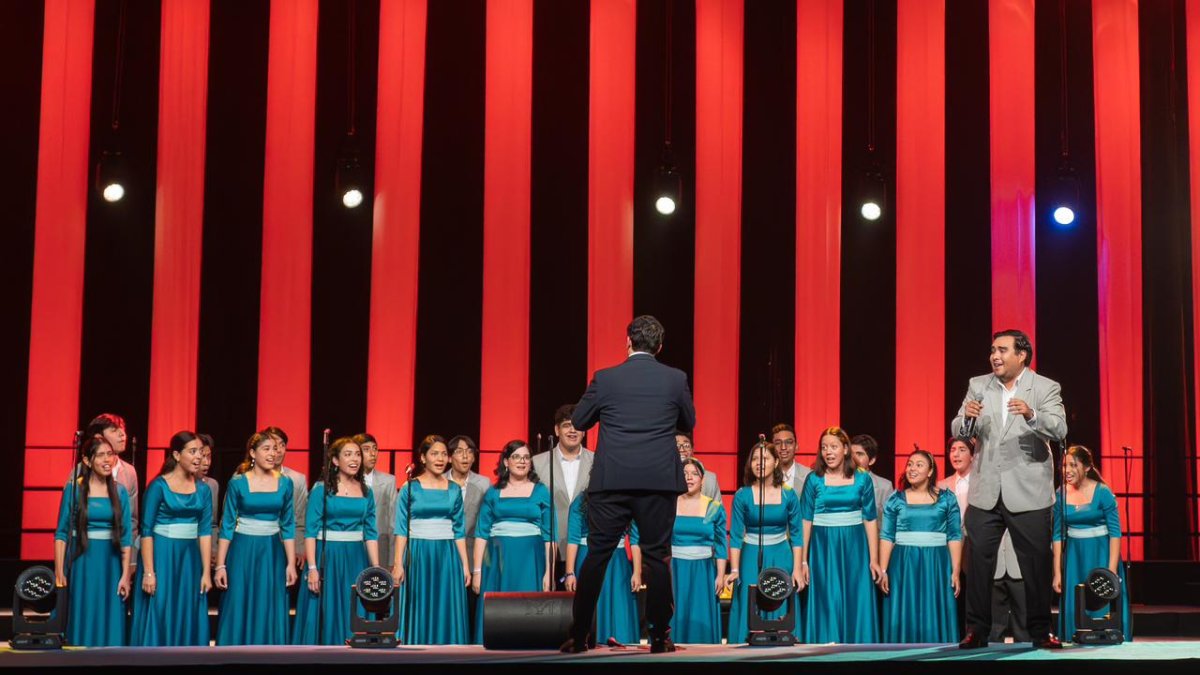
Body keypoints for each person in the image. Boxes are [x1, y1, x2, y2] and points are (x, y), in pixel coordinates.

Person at [562, 315, 696, 653]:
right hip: (657, 481)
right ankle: (659, 638)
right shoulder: (674, 379)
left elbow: (579, 420)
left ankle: (579, 637)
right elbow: (689, 421)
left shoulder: (606, 379)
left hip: (612, 481)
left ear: (628, 342)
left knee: (597, 557)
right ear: (659, 346)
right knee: (657, 558)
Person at [952, 329, 1067, 649]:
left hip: (1028, 489)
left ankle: (1041, 631)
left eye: (1002, 350)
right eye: (992, 350)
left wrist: (1032, 414)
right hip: (986, 488)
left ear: (1022, 355)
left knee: (1035, 565)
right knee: (978, 564)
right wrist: (967, 422)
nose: (994, 356)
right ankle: (976, 631)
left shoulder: (1044, 387)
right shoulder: (979, 385)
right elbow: (958, 426)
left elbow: (1059, 428)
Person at [130, 431, 213, 646]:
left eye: (201, 453)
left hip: (190, 557)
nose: (199, 458)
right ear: (176, 455)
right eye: (192, 452)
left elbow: (205, 532)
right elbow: (146, 532)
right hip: (162, 554)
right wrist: (149, 572)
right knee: (161, 606)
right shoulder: (158, 486)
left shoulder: (204, 490)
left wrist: (206, 572)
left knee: (188, 606)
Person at [293, 436, 379, 645]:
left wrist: (375, 568)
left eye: (358, 454)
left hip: (356, 558)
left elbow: (371, 533)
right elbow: (311, 532)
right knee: (327, 607)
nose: (355, 459)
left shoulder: (366, 491)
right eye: (348, 454)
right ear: (335, 461)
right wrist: (313, 567)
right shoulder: (321, 490)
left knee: (355, 607)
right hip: (328, 555)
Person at [214, 432, 297, 645]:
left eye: (275, 449)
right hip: (242, 549)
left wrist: (290, 564)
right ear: (252, 452)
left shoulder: (286, 483)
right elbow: (227, 525)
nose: (273, 453)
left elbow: (287, 525)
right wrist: (220, 565)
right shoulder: (238, 483)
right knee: (239, 600)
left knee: (269, 602)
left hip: (271, 550)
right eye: (266, 449)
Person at [799, 426, 880, 644]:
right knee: (827, 597)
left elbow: (870, 519)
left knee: (856, 596)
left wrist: (874, 559)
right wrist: (803, 561)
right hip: (823, 546)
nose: (828, 452)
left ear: (845, 449)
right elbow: (805, 521)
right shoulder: (813, 479)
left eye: (833, 446)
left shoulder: (862, 479)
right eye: (824, 447)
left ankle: (857, 648)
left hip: (855, 545)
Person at [53, 436, 133, 646]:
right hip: (83, 560)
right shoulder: (74, 489)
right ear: (87, 461)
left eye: (110, 454)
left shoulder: (120, 491)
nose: (107, 460)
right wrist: (59, 571)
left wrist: (125, 574)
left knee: (111, 612)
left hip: (111, 562)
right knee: (84, 611)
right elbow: (61, 533)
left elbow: (126, 536)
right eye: (100, 455)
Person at [471, 440, 552, 642]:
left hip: (531, 558)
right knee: (498, 609)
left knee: (529, 608)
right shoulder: (493, 492)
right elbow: (481, 533)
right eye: (516, 457)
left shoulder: (541, 491)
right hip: (498, 559)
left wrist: (549, 571)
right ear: (506, 462)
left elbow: (550, 535)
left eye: (526, 457)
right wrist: (477, 571)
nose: (522, 461)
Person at [393, 434, 470, 645]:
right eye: (434, 453)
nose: (440, 458)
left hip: (447, 555)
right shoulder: (410, 488)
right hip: (418, 553)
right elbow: (401, 529)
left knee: (445, 604)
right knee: (419, 604)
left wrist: (465, 565)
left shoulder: (454, 489)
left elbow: (459, 530)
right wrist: (398, 563)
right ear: (423, 458)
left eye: (444, 454)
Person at [879, 449, 962, 642]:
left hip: (936, 562)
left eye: (919, 465)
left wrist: (955, 570)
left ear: (930, 471)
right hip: (904, 563)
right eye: (910, 464)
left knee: (933, 609)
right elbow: (887, 536)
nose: (912, 469)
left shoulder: (947, 499)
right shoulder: (895, 499)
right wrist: (883, 569)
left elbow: (955, 535)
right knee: (905, 608)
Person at [1052, 445, 1130, 642]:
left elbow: (1115, 533)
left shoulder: (1102, 492)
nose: (1067, 470)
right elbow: (1057, 535)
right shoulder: (1060, 494)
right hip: (1074, 557)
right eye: (1064, 465)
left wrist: (1111, 571)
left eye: (1073, 465)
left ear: (1086, 467)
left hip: (1100, 554)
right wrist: (1057, 572)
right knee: (1075, 603)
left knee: (1101, 603)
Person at [726, 442, 803, 644]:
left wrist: (797, 568)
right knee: (748, 599)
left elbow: (797, 535)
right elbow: (735, 535)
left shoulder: (788, 494)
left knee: (780, 599)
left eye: (765, 458)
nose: (759, 463)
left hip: (781, 554)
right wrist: (734, 569)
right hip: (751, 553)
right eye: (754, 459)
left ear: (776, 462)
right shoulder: (742, 495)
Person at [564, 492, 642, 646]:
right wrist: (570, 572)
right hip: (588, 555)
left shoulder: (627, 500)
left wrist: (637, 572)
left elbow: (634, 539)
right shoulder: (581, 501)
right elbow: (573, 538)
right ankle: (588, 640)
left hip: (618, 562)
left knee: (620, 606)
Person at [531, 405, 594, 586]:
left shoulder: (598, 462)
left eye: (578, 425)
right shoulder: (537, 462)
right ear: (557, 430)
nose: (573, 430)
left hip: (585, 550)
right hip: (549, 550)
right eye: (567, 425)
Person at [670, 458, 728, 644]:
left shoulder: (714, 507)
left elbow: (720, 543)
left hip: (703, 570)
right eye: (684, 474)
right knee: (675, 613)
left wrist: (720, 574)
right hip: (675, 569)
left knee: (700, 614)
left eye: (694, 474)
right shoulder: (669, 504)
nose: (689, 478)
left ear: (703, 480)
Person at [86, 414, 139, 559]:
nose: (123, 434)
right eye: (115, 430)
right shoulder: (80, 472)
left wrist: (131, 558)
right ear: (98, 436)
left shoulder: (129, 472)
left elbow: (132, 520)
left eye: (123, 429)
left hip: (119, 550)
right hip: (87, 547)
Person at [263, 426, 308, 569]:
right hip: (255, 541)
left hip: (286, 546)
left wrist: (299, 549)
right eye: (274, 445)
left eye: (282, 445)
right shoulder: (243, 478)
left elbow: (301, 520)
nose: (278, 450)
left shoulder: (297, 479)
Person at [356, 433, 397, 569]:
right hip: (353, 544)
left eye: (375, 449)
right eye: (366, 449)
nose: (373, 453)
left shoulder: (389, 480)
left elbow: (393, 522)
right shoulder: (346, 482)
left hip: (380, 546)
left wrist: (393, 560)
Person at [850, 434, 895, 521]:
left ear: (872, 460)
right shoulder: (837, 481)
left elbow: (889, 521)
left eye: (859, 454)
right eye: (850, 454)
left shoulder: (884, 486)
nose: (853, 458)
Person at [675, 432, 720, 500]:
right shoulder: (663, 477)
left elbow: (717, 509)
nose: (681, 449)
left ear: (693, 450)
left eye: (686, 445)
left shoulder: (710, 478)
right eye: (677, 446)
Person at [772, 423, 810, 492]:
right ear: (772, 447)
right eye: (778, 443)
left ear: (796, 446)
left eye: (789, 442)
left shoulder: (809, 475)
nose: (783, 447)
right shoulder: (765, 475)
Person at [197, 433, 221, 545]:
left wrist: (214, 550)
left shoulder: (212, 485)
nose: (207, 463)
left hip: (206, 544)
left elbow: (213, 525)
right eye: (203, 457)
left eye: (209, 456)